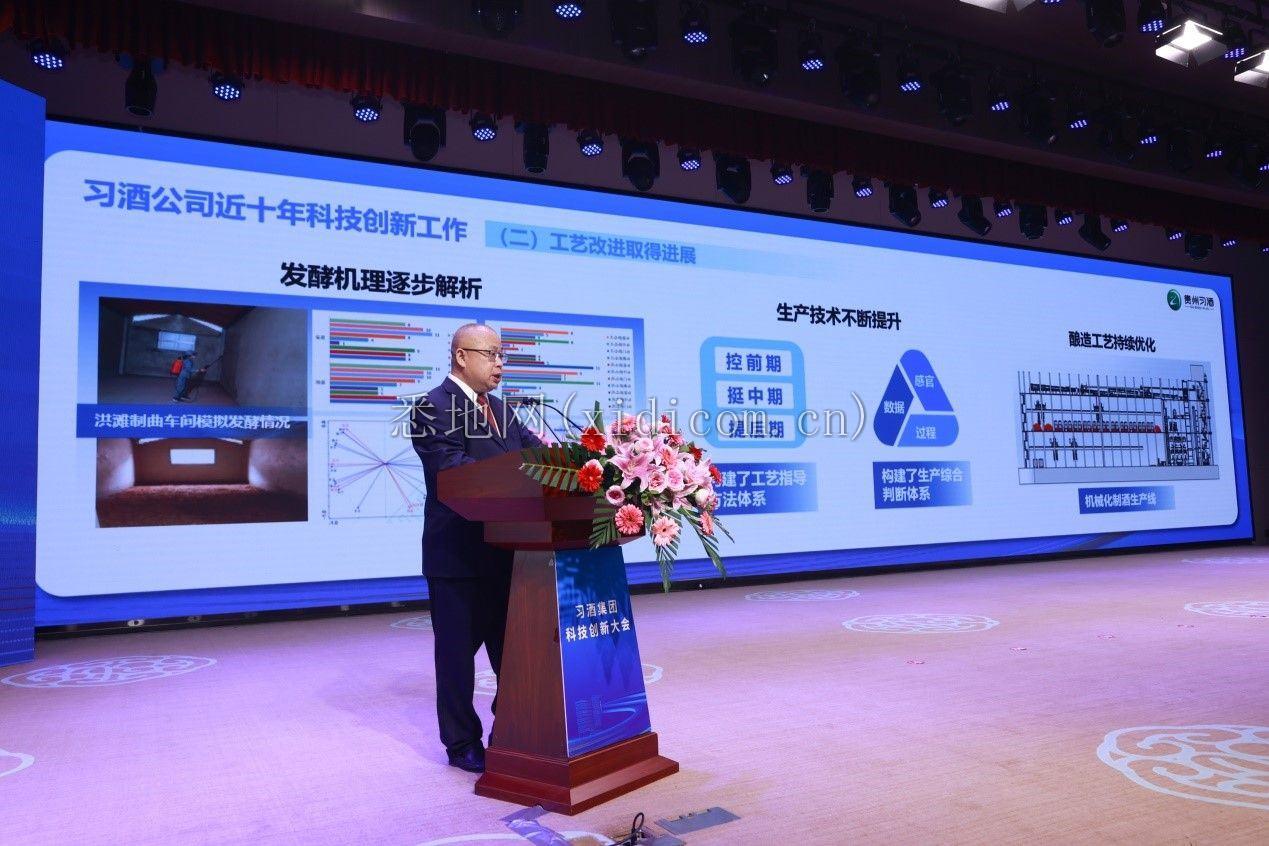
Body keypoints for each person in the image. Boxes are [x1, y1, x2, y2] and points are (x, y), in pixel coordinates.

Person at [409, 323, 545, 774]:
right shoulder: (432, 406)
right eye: (491, 355)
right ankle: (461, 743)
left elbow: (537, 454)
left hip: (506, 553)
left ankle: (510, 731)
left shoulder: (501, 409)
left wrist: (575, 466)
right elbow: (455, 470)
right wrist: (519, 478)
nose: (500, 364)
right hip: (458, 556)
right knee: (456, 660)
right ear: (461, 356)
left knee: (514, 655)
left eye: (502, 355)